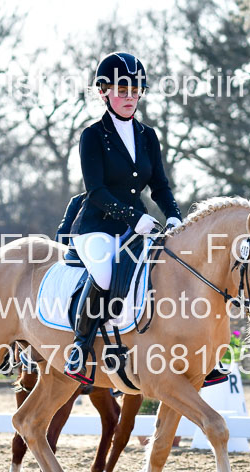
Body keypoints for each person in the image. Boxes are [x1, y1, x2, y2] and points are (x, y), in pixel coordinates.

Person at [63, 52, 183, 383]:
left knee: (165, 271)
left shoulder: (148, 136)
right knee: (104, 274)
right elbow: (97, 191)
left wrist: (173, 216)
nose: (130, 96)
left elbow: (159, 185)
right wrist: (132, 217)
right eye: (122, 89)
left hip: (138, 228)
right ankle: (80, 348)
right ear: (104, 92)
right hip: (97, 228)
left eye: (135, 90)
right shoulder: (92, 136)